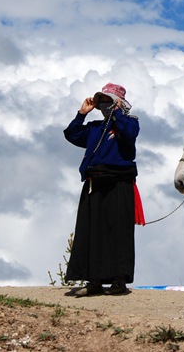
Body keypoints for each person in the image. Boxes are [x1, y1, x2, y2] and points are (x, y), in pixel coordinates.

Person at [63, 82, 144, 296]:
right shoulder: (95, 128)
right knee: (93, 232)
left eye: (108, 100)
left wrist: (117, 112)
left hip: (119, 183)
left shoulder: (130, 123)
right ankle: (94, 281)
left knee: (118, 232)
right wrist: (82, 114)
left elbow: (129, 134)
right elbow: (72, 134)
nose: (104, 104)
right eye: (102, 101)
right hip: (94, 183)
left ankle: (119, 281)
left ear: (119, 103)